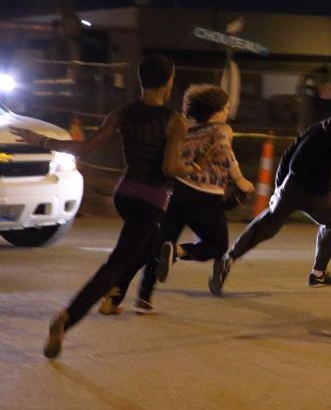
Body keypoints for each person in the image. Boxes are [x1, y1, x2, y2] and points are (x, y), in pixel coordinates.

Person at [12, 54, 197, 359]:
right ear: (169, 82)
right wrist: (190, 168)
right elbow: (169, 167)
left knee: (149, 242)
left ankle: (118, 293)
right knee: (116, 264)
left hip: (125, 195)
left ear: (141, 81)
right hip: (150, 201)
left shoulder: (122, 114)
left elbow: (85, 148)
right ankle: (67, 318)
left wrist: (41, 140)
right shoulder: (174, 121)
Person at [117, 84, 255, 308]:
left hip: (175, 192)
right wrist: (240, 180)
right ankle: (179, 252)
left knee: (163, 242)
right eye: (226, 107)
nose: (228, 112)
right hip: (205, 196)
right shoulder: (221, 129)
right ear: (216, 111)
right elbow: (224, 149)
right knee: (217, 245)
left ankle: (143, 297)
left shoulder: (184, 128)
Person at [213, 98, 331, 293]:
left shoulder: (318, 127)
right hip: (317, 194)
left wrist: (280, 187)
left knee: (267, 225)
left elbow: (289, 153)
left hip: (291, 186)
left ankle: (229, 258)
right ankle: (318, 273)